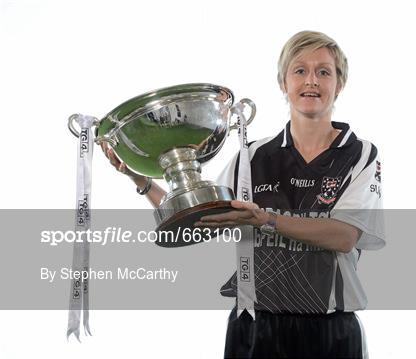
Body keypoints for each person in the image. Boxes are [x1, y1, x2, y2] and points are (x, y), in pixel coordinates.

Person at [102, 30, 385, 358]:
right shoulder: (252, 156)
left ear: (340, 84)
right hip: (255, 327)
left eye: (324, 71)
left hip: (330, 329)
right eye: (300, 70)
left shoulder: (360, 154)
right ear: (283, 82)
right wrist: (141, 179)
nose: (312, 81)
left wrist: (265, 219)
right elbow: (200, 216)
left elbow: (345, 236)